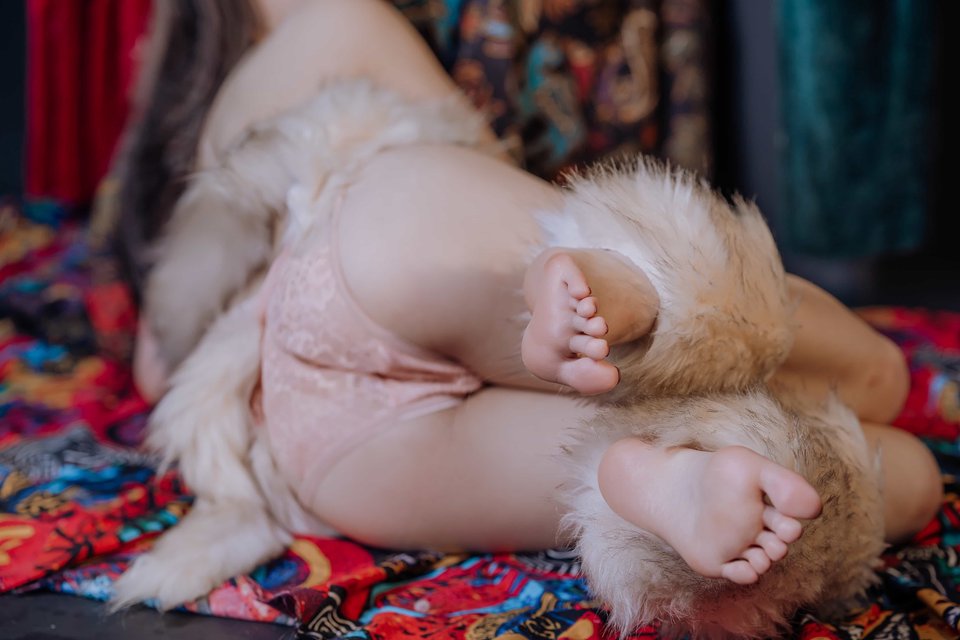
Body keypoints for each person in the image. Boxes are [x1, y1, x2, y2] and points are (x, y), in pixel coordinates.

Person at [132, 0, 941, 592]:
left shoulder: (210, 120)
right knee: (881, 383)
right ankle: (634, 295)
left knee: (900, 477)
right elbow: (472, 162)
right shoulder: (339, 17)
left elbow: (157, 371)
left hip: (321, 451)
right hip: (371, 247)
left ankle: (654, 485)